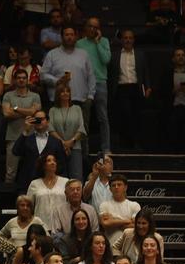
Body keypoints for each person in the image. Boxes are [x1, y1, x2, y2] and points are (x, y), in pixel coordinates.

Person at [107, 29, 149, 151]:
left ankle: (136, 143)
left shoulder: (140, 54)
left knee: (137, 116)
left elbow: (145, 71)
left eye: (130, 38)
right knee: (124, 116)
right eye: (125, 38)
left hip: (136, 88)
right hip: (121, 88)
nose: (128, 40)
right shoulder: (115, 55)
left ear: (134, 40)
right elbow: (111, 75)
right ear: (121, 40)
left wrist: (148, 87)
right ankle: (124, 144)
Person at [74, 19, 110, 154]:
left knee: (103, 117)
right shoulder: (79, 44)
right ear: (85, 27)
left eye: (95, 27)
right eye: (90, 26)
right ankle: (85, 149)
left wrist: (97, 42)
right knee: (84, 118)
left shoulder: (104, 41)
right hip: (84, 84)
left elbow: (106, 60)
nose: (92, 29)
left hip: (100, 82)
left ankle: (106, 148)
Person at [2, 68, 43, 187]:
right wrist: (28, 112)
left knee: (33, 171)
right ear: (14, 80)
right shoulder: (8, 95)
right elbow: (6, 114)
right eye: (19, 78)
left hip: (32, 137)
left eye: (24, 78)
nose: (21, 80)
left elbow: (35, 112)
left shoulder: (35, 96)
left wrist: (15, 108)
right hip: (13, 136)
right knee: (10, 172)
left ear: (27, 80)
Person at [49, 83, 86, 184]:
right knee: (60, 178)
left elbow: (81, 128)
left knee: (77, 176)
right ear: (58, 94)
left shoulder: (77, 109)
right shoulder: (53, 110)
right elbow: (50, 129)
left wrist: (71, 141)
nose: (65, 93)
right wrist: (63, 143)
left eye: (67, 91)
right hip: (58, 148)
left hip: (75, 147)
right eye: (62, 91)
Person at [26, 154, 70, 234]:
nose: (53, 163)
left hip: (62, 226)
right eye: (49, 160)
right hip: (40, 227)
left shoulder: (65, 182)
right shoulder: (34, 184)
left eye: (54, 160)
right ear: (43, 165)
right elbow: (29, 206)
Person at [98, 174, 141, 251]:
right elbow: (106, 224)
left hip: (131, 247)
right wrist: (127, 220)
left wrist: (114, 221)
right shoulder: (104, 205)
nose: (116, 187)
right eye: (113, 185)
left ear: (125, 187)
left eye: (119, 185)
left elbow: (136, 226)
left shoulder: (134, 205)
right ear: (110, 189)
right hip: (111, 247)